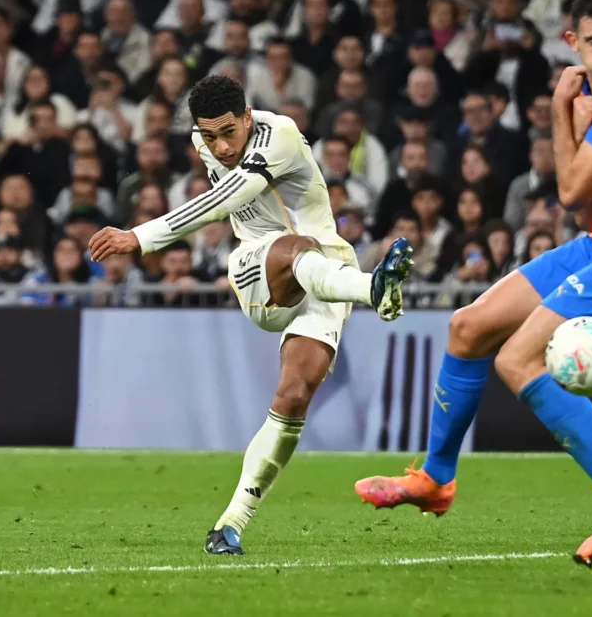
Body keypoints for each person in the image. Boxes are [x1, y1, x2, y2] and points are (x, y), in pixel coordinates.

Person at [354, 0, 592, 566]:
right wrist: (575, 111)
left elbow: (567, 192)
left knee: (517, 359)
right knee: (469, 327)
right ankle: (437, 480)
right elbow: (588, 210)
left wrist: (562, 111)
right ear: (573, 42)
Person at [86, 75, 414, 556]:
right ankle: (374, 288)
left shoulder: (278, 135)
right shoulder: (205, 140)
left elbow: (228, 195)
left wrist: (140, 235)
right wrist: (142, 238)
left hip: (328, 276)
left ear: (247, 117)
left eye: (228, 133)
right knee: (295, 247)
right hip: (258, 268)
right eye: (208, 135)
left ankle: (231, 523)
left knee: (295, 394)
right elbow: (227, 205)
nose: (218, 146)